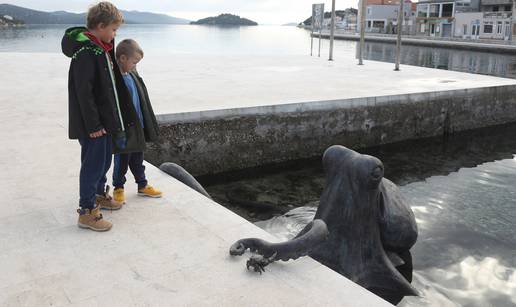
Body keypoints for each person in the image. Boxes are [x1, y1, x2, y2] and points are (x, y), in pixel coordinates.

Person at [62, 2, 139, 231]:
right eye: (114, 30)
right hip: (92, 125)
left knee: (104, 161)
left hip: (104, 123)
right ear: (101, 25)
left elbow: (109, 90)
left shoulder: (101, 48)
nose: (115, 34)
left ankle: (98, 194)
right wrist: (94, 124)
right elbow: (83, 93)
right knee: (93, 165)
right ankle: (86, 211)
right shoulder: (86, 53)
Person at [112, 39, 162, 204]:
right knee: (122, 159)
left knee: (138, 158)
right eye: (134, 62)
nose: (135, 66)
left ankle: (142, 185)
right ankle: (118, 187)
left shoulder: (133, 75)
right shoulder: (115, 78)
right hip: (124, 128)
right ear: (122, 58)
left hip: (138, 125)